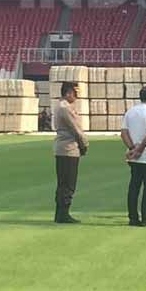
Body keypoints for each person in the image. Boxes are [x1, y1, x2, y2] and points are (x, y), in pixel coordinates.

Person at [121, 86, 146, 226]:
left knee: (134, 187)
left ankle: (133, 217)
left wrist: (132, 148)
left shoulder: (130, 111)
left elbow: (124, 133)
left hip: (133, 156)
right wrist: (140, 150)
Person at [52, 81, 88, 224]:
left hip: (63, 148)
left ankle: (59, 213)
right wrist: (84, 144)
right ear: (68, 93)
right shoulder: (65, 108)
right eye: (75, 93)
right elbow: (76, 129)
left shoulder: (61, 106)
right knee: (68, 183)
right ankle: (63, 214)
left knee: (63, 183)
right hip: (69, 149)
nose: (77, 96)